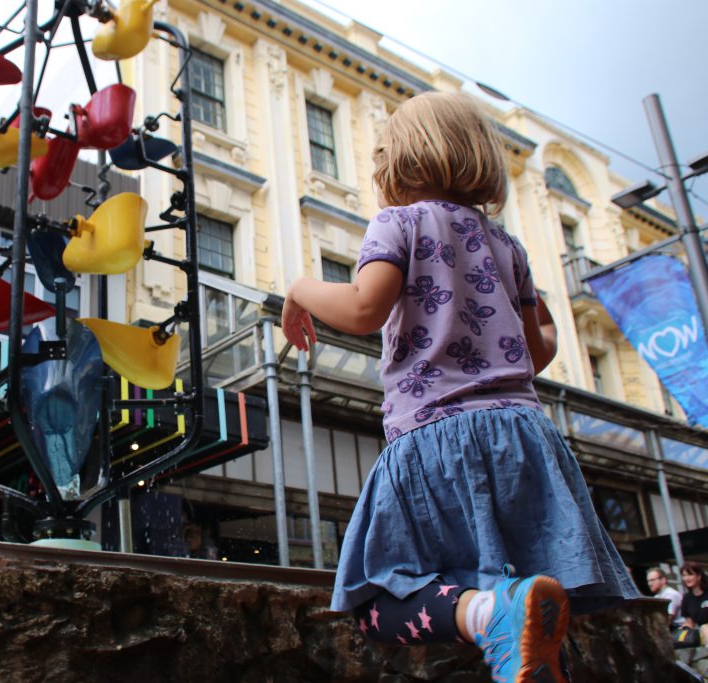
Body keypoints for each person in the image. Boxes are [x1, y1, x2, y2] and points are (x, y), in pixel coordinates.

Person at [281, 91, 639, 681]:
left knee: (378, 600)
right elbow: (535, 350)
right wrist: (539, 318)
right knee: (532, 582)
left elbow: (366, 307)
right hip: (525, 436)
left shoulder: (398, 222)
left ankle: (486, 615)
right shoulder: (507, 245)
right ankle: (525, 649)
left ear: (401, 159)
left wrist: (299, 288)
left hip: (435, 434)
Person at [680, 561, 708, 644]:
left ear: (699, 576)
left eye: (690, 574)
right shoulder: (687, 598)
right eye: (684, 575)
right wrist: (684, 631)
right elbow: (689, 622)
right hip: (703, 634)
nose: (686, 578)